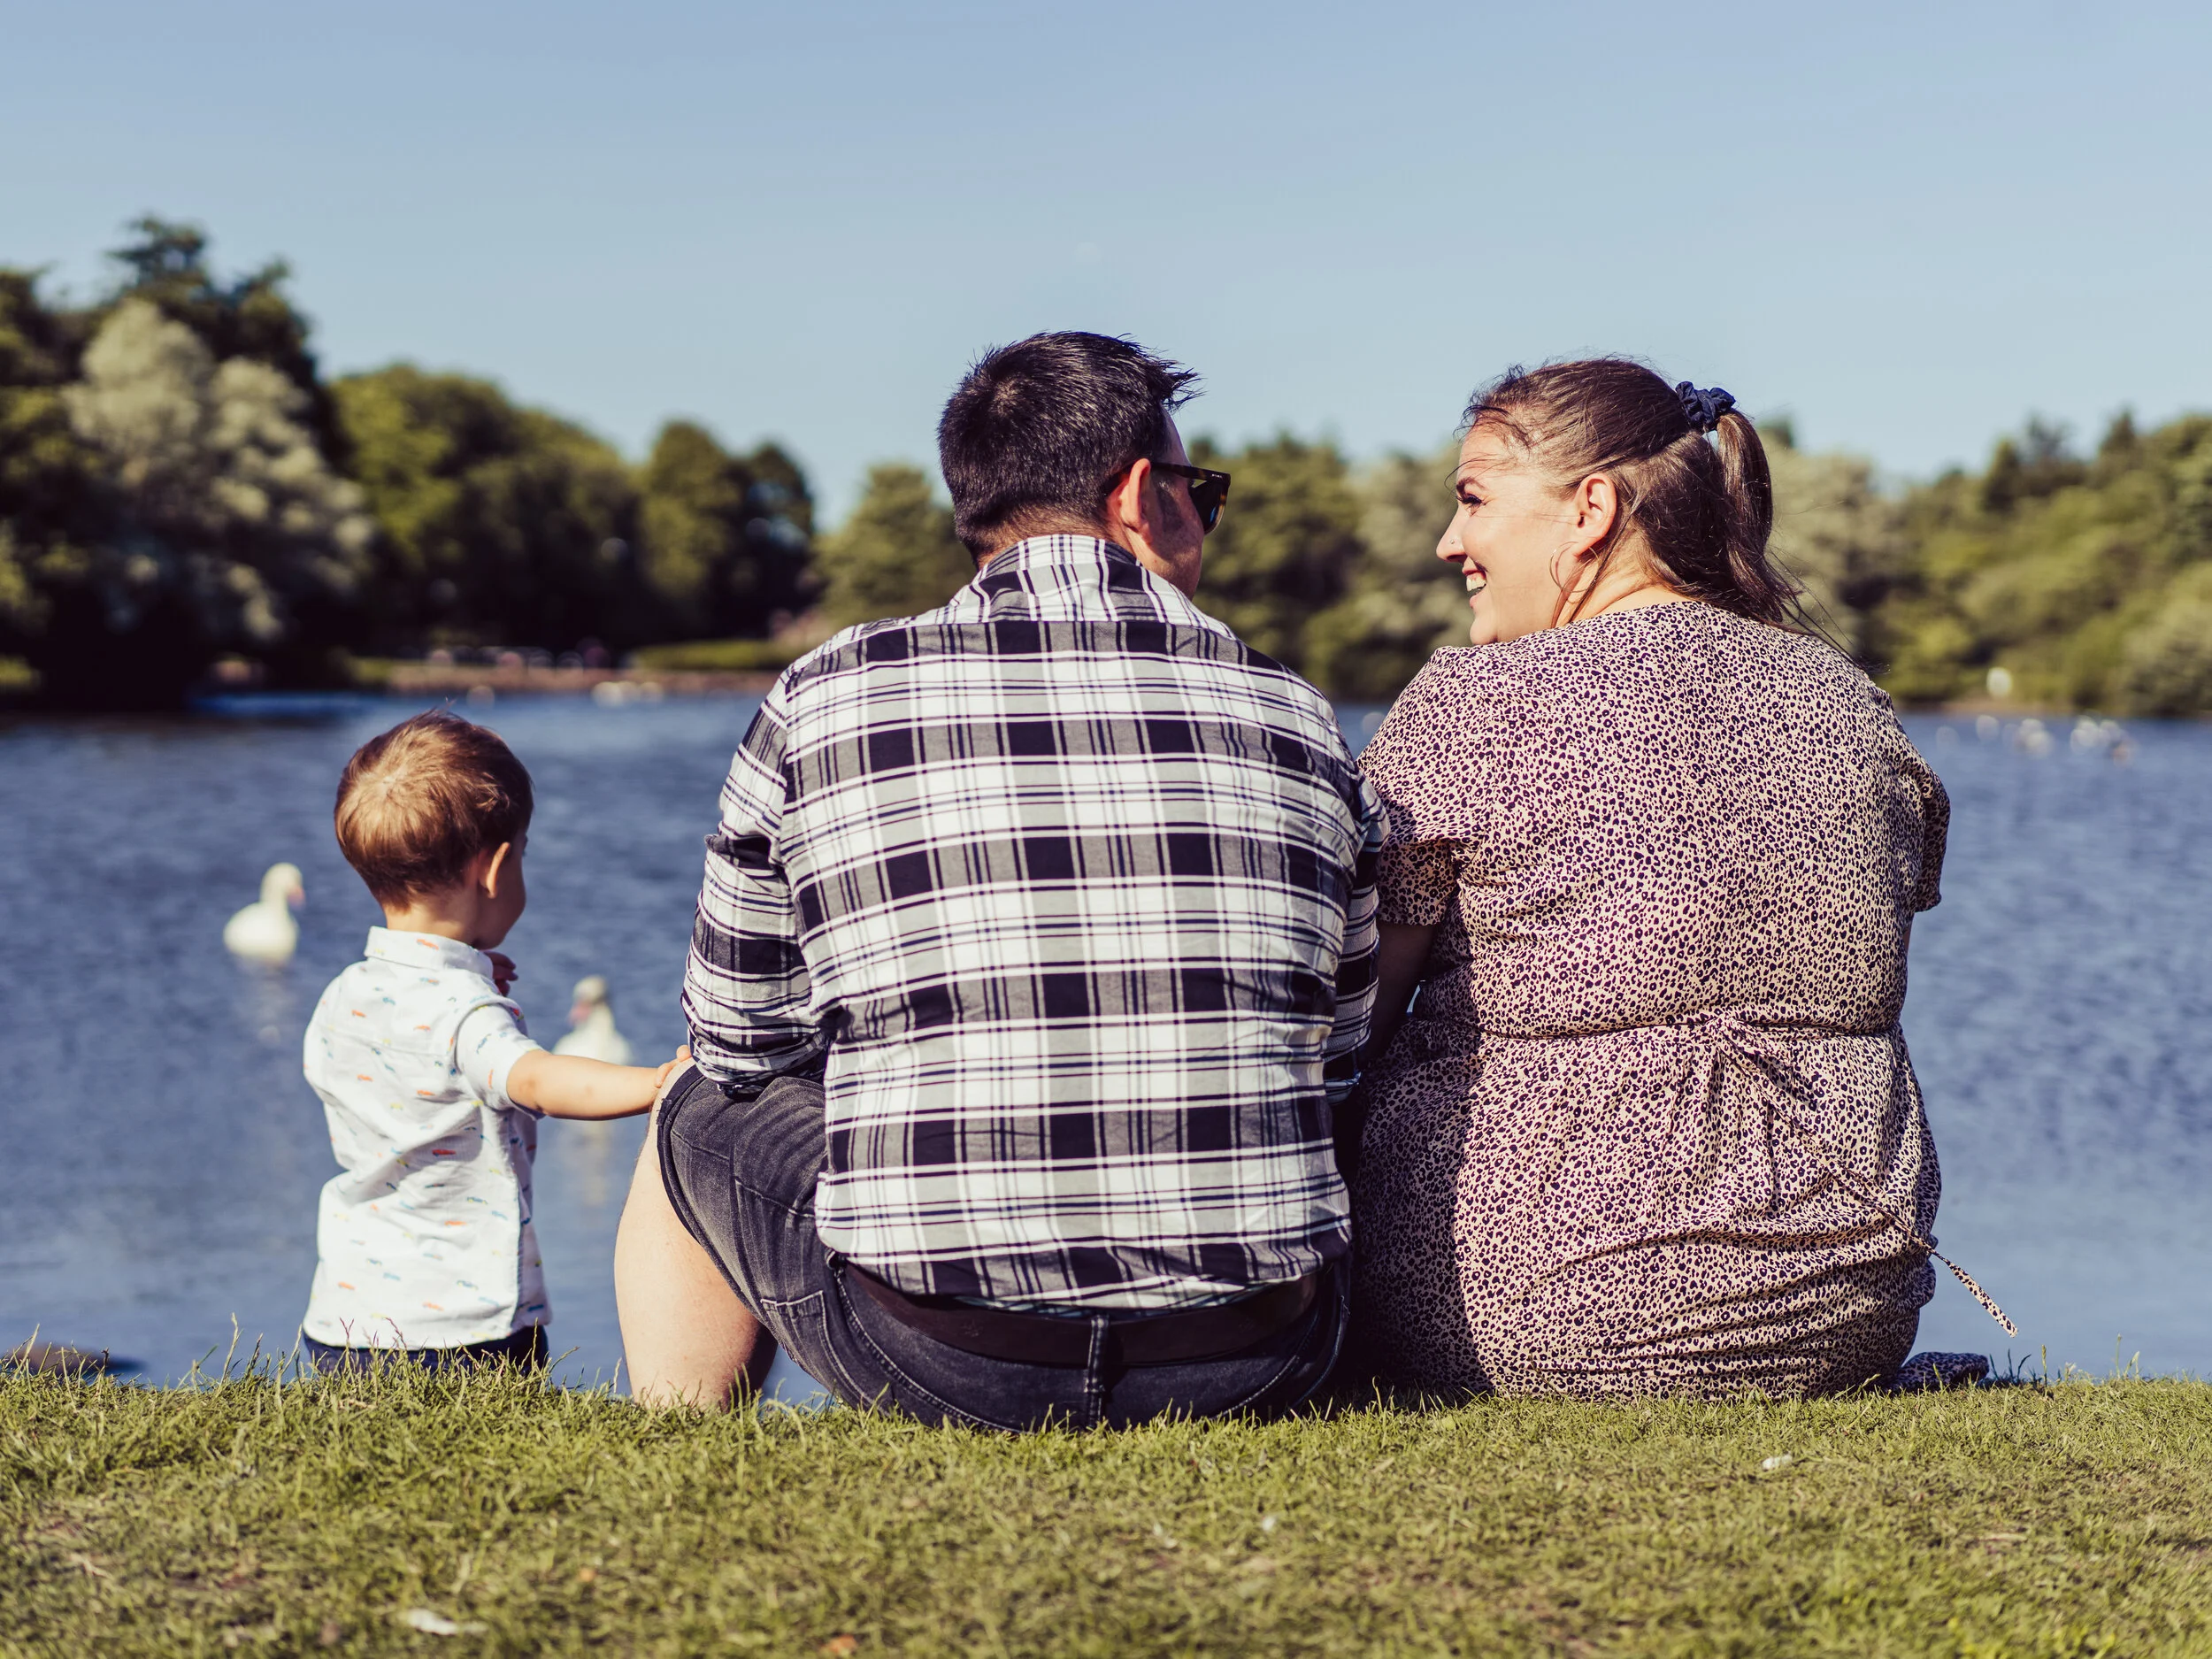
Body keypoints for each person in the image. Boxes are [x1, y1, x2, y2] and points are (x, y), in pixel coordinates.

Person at [614, 332, 1384, 1426]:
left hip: (939, 1358)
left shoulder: (824, 697)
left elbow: (744, 1039)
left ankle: (682, 1438)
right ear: (1135, 496)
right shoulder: (1296, 714)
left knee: (691, 1094)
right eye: (1199, 492)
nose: (1205, 520)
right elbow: (1339, 1052)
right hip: (1254, 1354)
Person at [1350, 359, 1990, 1399]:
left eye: (1472, 500)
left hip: (1538, 1313)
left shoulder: (1475, 703)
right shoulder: (1845, 698)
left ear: (1589, 509)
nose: (1449, 541)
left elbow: (1353, 1014)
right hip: (1840, 1308)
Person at [300, 710, 684, 1372]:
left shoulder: (341, 995)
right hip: (459, 1327)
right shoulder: (465, 1012)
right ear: (496, 867)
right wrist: (656, 1085)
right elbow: (537, 1081)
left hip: (344, 1317)